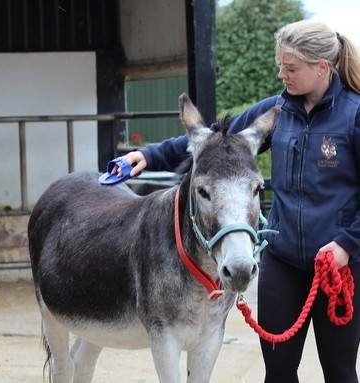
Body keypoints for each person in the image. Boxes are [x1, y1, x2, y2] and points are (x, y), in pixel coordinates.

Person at [117, 20, 360, 382]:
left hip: (336, 266)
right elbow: (214, 137)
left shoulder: (354, 116)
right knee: (278, 371)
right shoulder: (278, 111)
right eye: (280, 64)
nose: (282, 74)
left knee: (339, 371)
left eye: (290, 68)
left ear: (321, 67)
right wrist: (150, 156)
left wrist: (346, 243)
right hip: (282, 259)